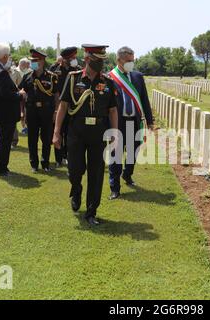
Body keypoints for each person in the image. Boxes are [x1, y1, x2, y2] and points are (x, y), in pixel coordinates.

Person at [53, 44, 118, 226]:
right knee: (75, 169)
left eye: (103, 60)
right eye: (98, 60)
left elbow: (112, 110)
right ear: (87, 59)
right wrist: (56, 133)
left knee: (96, 173)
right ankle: (76, 189)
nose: (101, 64)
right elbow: (63, 106)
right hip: (76, 132)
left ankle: (91, 211)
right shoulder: (73, 79)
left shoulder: (107, 82)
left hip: (99, 133)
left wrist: (115, 133)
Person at [108, 46, 154, 200]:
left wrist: (150, 121)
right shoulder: (110, 78)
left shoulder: (137, 77)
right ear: (119, 60)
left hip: (134, 122)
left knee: (133, 153)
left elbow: (144, 100)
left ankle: (127, 175)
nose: (131, 63)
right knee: (116, 155)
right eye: (128, 61)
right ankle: (115, 188)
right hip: (117, 122)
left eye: (133, 61)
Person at [0, 42, 27, 176]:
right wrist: (20, 95)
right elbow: (6, 94)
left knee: (2, 139)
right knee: (5, 141)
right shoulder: (1, 72)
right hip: (5, 112)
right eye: (8, 56)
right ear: (5, 56)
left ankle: (1, 167)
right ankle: (0, 168)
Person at [19, 49, 60, 173]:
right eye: (32, 61)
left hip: (47, 110)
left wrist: (56, 111)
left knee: (46, 138)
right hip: (31, 111)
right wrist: (22, 109)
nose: (33, 63)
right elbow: (21, 91)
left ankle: (45, 163)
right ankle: (34, 164)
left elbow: (56, 95)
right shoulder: (27, 76)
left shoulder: (52, 77)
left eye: (35, 61)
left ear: (42, 61)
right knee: (32, 138)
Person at [51, 47, 82, 167]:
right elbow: (53, 91)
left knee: (70, 133)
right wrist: (55, 109)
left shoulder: (78, 70)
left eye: (75, 57)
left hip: (73, 108)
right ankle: (59, 159)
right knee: (58, 132)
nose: (75, 60)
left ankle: (67, 156)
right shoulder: (54, 70)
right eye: (72, 58)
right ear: (65, 59)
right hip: (58, 107)